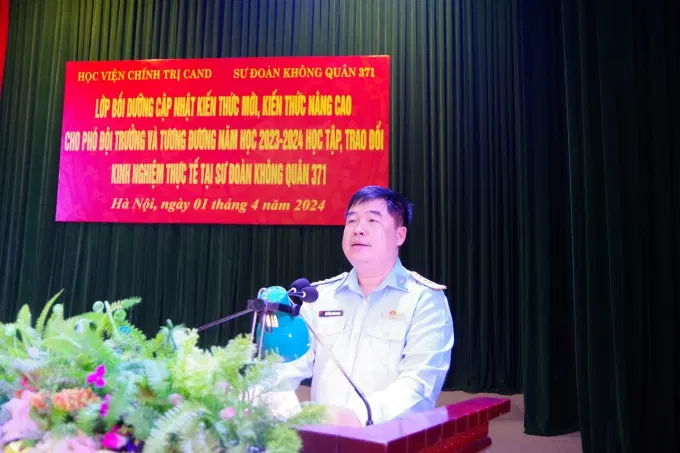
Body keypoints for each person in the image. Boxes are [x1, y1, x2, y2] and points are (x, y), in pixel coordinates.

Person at [271, 186, 454, 426]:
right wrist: (275, 409)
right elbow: (287, 366)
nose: (358, 229)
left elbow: (419, 386)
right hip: (323, 436)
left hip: (388, 438)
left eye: (372, 220)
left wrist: (355, 417)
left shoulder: (424, 300)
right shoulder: (320, 296)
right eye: (352, 220)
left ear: (400, 235)